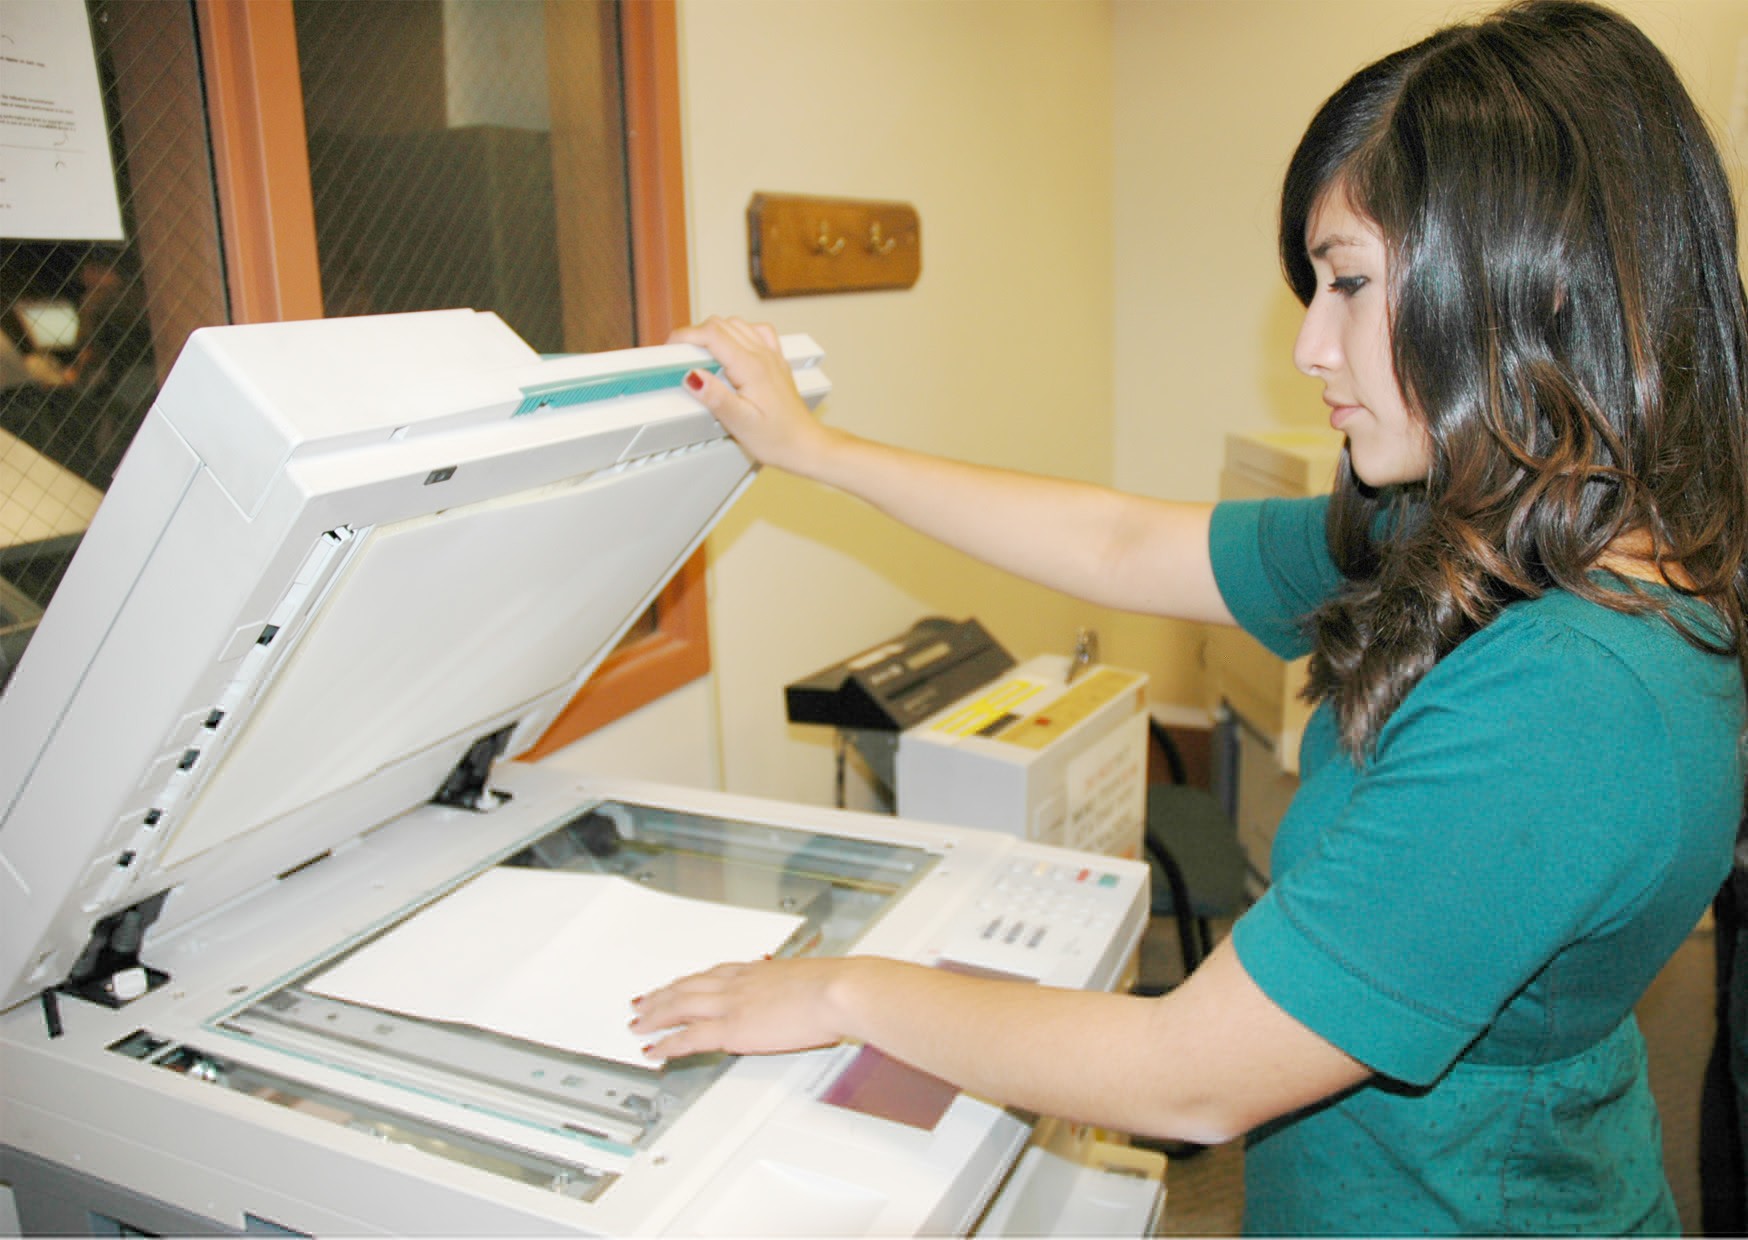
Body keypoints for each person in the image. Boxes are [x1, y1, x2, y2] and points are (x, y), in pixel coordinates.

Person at [631, 1, 1748, 1232]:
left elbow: (1192, 1075)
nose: (1311, 347)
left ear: (1530, 279)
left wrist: (842, 990)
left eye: (1348, 285)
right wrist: (815, 450)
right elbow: (1118, 540)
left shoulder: (1574, 694)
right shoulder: (1481, 535)